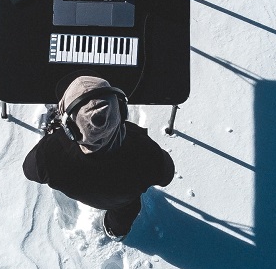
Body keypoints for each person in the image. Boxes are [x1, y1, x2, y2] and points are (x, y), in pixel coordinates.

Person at [22, 75, 175, 240]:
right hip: (122, 201)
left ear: (70, 129)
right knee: (126, 212)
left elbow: (29, 170)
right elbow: (166, 175)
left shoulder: (50, 155)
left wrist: (54, 137)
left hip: (83, 193)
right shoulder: (145, 152)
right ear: (121, 110)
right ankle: (116, 231)